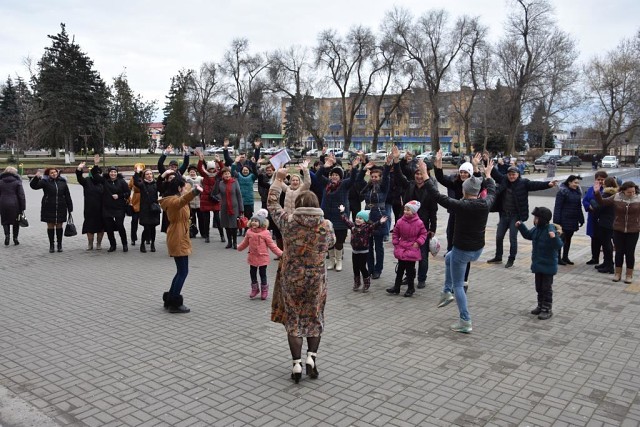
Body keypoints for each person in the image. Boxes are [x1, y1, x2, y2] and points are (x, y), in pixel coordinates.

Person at [268, 169, 336, 384]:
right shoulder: (326, 226)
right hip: (316, 279)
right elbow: (332, 243)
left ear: (298, 205)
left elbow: (272, 205)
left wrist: (278, 181)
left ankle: (296, 363)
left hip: (291, 278)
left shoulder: (288, 222)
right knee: (314, 318)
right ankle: (311, 359)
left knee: (294, 320)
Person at [426, 159, 497, 334]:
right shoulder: (485, 203)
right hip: (477, 250)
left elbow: (437, 196)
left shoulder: (461, 205)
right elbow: (493, 191)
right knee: (448, 257)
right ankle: (445, 291)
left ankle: (465, 320)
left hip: (462, 250)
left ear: (464, 190)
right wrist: (488, 175)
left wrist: (427, 176)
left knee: (459, 285)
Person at [488, 161, 557, 268]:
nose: (511, 176)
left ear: (518, 175)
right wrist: (485, 160)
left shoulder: (523, 183)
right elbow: (494, 172)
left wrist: (548, 184)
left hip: (515, 216)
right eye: (509, 174)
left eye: (513, 174)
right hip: (504, 215)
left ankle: (511, 259)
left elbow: (535, 185)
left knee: (512, 238)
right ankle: (498, 257)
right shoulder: (503, 181)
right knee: (499, 236)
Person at [434, 150, 484, 291]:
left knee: (464, 250)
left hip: (467, 220)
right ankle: (451, 281)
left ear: (470, 174)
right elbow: (440, 178)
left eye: (466, 173)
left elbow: (480, 180)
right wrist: (439, 162)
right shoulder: (455, 183)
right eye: (461, 172)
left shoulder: (474, 185)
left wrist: (475, 166)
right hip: (454, 217)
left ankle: (464, 280)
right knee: (451, 250)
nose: (463, 175)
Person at [394, 147, 438, 288]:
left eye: (421, 174)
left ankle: (421, 278)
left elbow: (433, 211)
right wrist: (396, 161)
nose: (419, 176)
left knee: (423, 255)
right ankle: (409, 277)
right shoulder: (410, 186)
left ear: (427, 174)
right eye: (417, 173)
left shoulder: (431, 189)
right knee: (408, 255)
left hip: (422, 227)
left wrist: (432, 228)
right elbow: (399, 176)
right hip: (407, 227)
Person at [159, 174, 203, 313]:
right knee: (183, 271)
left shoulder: (174, 197)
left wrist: (190, 184)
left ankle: (170, 298)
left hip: (180, 234)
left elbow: (186, 191)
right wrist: (195, 192)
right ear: (178, 188)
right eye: (183, 188)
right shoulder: (173, 201)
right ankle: (174, 303)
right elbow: (182, 200)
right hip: (177, 236)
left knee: (180, 271)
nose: (186, 190)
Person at [516, 207, 564, 320]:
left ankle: (547, 309)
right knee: (539, 287)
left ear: (543, 219)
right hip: (538, 264)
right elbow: (528, 235)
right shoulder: (537, 229)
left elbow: (559, 245)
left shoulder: (550, 229)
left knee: (546, 288)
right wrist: (521, 226)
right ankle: (540, 305)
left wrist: (554, 237)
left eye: (536, 218)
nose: (535, 220)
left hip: (548, 265)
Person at [316, 153, 362, 271]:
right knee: (329, 240)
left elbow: (353, 179)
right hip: (327, 217)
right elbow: (317, 176)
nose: (334, 177)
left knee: (339, 241)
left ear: (340, 177)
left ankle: (339, 261)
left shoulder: (344, 184)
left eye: (337, 175)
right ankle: (331, 261)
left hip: (340, 218)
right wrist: (325, 166)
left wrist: (354, 167)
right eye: (333, 174)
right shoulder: (327, 183)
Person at [594, 180, 640, 284]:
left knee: (629, 253)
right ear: (623, 191)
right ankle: (617, 273)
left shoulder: (638, 198)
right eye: (629, 192)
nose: (632, 194)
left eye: (633, 192)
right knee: (619, 252)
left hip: (633, 230)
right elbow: (602, 202)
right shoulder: (616, 197)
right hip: (618, 229)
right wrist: (597, 193)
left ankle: (629, 275)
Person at [357, 158, 392, 280]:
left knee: (378, 246)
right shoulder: (367, 187)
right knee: (368, 245)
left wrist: (387, 165)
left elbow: (387, 177)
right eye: (372, 176)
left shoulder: (383, 188)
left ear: (380, 178)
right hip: (368, 216)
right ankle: (370, 268)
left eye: (376, 177)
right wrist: (363, 168)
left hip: (379, 216)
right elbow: (358, 180)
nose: (374, 178)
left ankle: (378, 269)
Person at [236, 209, 283, 300]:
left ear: (261, 223)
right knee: (252, 273)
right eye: (253, 221)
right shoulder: (249, 232)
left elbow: (272, 245)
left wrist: (280, 253)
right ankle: (255, 289)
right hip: (252, 257)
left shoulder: (266, 233)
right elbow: (245, 243)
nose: (254, 223)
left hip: (263, 257)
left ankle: (264, 290)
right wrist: (239, 247)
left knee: (263, 274)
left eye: (256, 221)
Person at [339, 205, 387, 292]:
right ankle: (357, 283)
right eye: (357, 217)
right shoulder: (353, 226)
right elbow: (345, 220)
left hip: (364, 251)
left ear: (365, 220)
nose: (357, 219)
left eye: (360, 218)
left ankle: (366, 282)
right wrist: (342, 212)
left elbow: (374, 225)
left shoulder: (367, 228)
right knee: (355, 268)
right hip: (355, 251)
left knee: (362, 267)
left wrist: (380, 221)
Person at [386, 200, 427, 297]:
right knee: (400, 269)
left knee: (410, 270)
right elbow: (395, 233)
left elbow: (423, 234)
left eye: (408, 210)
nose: (405, 211)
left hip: (412, 248)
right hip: (402, 247)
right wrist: (396, 242)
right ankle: (396, 287)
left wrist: (418, 242)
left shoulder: (419, 223)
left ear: (414, 211)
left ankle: (410, 288)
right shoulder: (400, 221)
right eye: (405, 209)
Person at [30, 167, 73, 253]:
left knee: (59, 226)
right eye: (51, 173)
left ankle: (59, 244)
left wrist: (70, 207)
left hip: (61, 206)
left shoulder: (62, 182)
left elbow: (67, 195)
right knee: (50, 226)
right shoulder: (45, 182)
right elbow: (33, 186)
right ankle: (51, 245)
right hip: (48, 206)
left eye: (55, 172)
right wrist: (36, 177)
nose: (54, 174)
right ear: (48, 174)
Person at [195, 149, 226, 243]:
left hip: (215, 199)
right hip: (206, 199)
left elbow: (223, 169)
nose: (212, 170)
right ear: (207, 169)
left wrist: (219, 161)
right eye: (210, 169)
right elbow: (199, 168)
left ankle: (222, 235)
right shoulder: (205, 175)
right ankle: (207, 236)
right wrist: (200, 160)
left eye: (213, 168)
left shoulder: (218, 175)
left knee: (217, 219)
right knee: (206, 220)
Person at [553, 175, 584, 265]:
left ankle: (565, 257)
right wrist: (557, 222)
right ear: (569, 182)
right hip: (563, 219)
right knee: (561, 239)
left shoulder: (577, 192)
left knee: (568, 239)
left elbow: (579, 207)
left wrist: (581, 219)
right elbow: (557, 207)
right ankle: (558, 258)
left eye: (578, 183)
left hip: (573, 220)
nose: (576, 185)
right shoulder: (562, 192)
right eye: (575, 183)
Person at [98, 166, 131, 252]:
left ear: (117, 173)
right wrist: (96, 165)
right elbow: (95, 176)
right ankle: (112, 245)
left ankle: (125, 244)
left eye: (114, 172)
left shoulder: (122, 181)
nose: (113, 174)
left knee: (120, 225)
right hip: (107, 208)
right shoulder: (104, 181)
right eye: (111, 172)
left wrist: (119, 196)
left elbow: (128, 193)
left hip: (119, 208)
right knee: (109, 227)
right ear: (108, 173)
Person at [589, 177, 618, 274]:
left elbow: (598, 207)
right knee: (607, 244)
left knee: (606, 244)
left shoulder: (607, 194)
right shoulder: (615, 194)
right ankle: (606, 263)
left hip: (606, 222)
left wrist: (591, 201)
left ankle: (609, 265)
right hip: (611, 221)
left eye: (604, 183)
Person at [75, 157, 105, 250]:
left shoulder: (103, 182)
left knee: (101, 227)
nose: (98, 175)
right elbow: (79, 177)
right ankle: (90, 244)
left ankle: (99, 244)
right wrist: (79, 169)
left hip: (101, 208)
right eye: (96, 173)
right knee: (90, 227)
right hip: (89, 208)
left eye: (99, 173)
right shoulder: (87, 181)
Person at [211, 167, 243, 249]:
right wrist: (217, 182)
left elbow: (239, 196)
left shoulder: (235, 182)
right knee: (226, 225)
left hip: (234, 207)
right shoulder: (220, 183)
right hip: (224, 207)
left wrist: (241, 209)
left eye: (228, 173)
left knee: (234, 226)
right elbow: (214, 193)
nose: (227, 175)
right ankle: (229, 242)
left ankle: (235, 242)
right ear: (222, 175)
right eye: (225, 174)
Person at [133, 166, 161, 253]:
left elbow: (162, 187)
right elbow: (136, 182)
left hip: (154, 209)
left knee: (153, 228)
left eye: (150, 174)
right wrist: (137, 172)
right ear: (144, 176)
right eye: (147, 174)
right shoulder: (142, 184)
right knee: (146, 227)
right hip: (145, 209)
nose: (149, 175)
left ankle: (153, 243)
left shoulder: (155, 184)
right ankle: (142, 244)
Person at [582, 170, 608, 265]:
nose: (600, 181)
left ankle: (607, 260)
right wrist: (589, 206)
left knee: (604, 240)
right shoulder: (591, 189)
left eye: (602, 179)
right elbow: (585, 200)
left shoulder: (608, 189)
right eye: (598, 179)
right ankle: (594, 258)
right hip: (593, 217)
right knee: (594, 238)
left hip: (603, 218)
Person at [0, 166, 26, 246]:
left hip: (3, 203)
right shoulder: (17, 182)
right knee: (16, 221)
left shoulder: (0, 181)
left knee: (5, 221)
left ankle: (7, 236)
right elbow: (21, 195)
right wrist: (23, 207)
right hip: (15, 204)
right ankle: (15, 238)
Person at [127, 162, 146, 246]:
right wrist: (129, 199)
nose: (137, 169)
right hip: (136, 200)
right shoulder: (133, 178)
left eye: (139, 168)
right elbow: (128, 188)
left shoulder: (145, 177)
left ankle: (147, 237)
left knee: (146, 221)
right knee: (134, 220)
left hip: (145, 200)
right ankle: (133, 238)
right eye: (135, 168)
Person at [184, 165, 205, 240]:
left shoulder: (200, 178)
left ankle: (203, 233)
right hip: (190, 203)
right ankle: (193, 232)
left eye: (193, 172)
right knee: (192, 220)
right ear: (188, 172)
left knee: (201, 219)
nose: (192, 173)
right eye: (190, 172)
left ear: (196, 172)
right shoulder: (186, 178)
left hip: (199, 202)